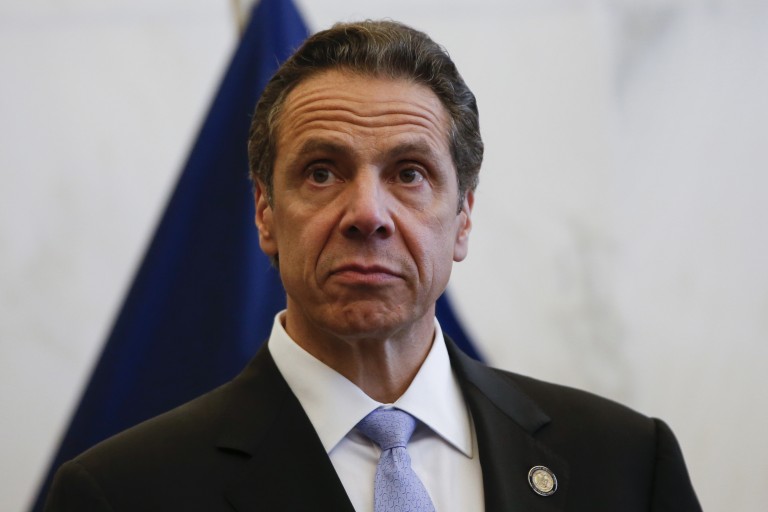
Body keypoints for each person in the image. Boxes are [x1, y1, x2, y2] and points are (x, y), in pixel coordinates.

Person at [45, 20, 702, 511]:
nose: (368, 213)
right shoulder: (119, 493)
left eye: (409, 173)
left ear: (463, 217)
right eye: (322, 172)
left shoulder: (624, 464)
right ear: (266, 213)